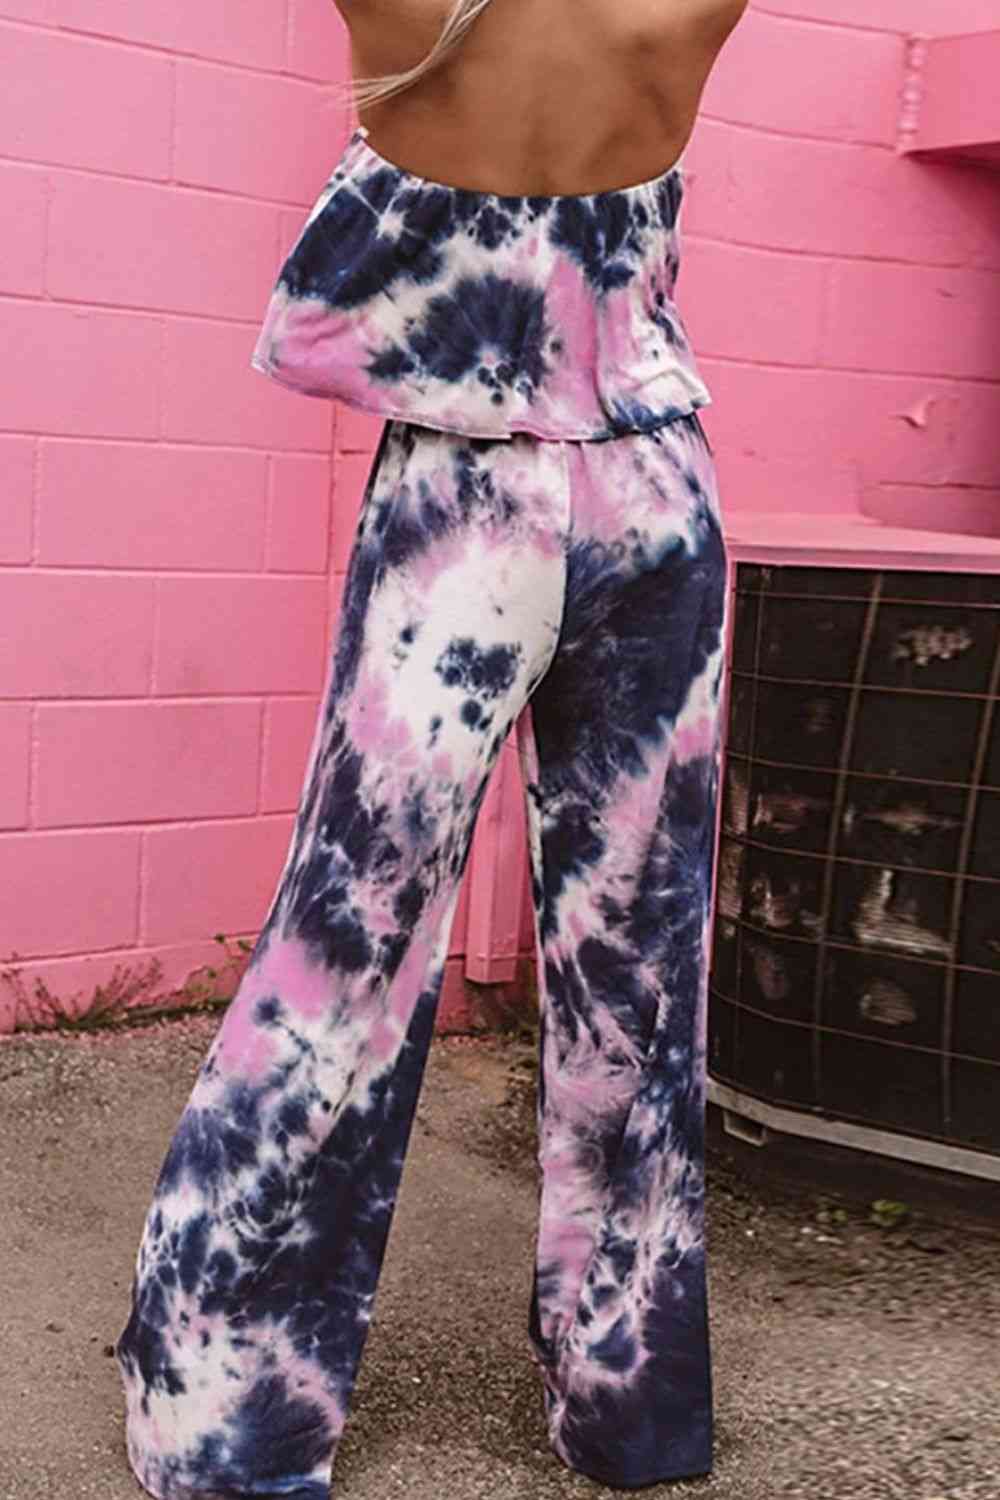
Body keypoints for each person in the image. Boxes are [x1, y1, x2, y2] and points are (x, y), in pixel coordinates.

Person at [114, 1, 750, 1494]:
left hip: (462, 511)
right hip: (663, 495)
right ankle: (629, 1409)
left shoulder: (413, 11)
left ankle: (223, 1426)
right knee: (642, 973)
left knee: (343, 950)